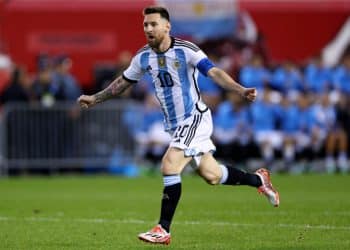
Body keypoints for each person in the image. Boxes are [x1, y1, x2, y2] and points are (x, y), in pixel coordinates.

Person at [77, 6, 280, 245]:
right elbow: (122, 82)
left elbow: (213, 72)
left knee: (169, 163)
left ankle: (163, 228)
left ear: (167, 26)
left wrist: (240, 89)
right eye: (145, 25)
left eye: (153, 24)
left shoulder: (187, 50)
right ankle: (259, 180)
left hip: (194, 118)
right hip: (175, 125)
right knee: (212, 175)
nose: (149, 29)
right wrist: (95, 98)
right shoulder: (143, 57)